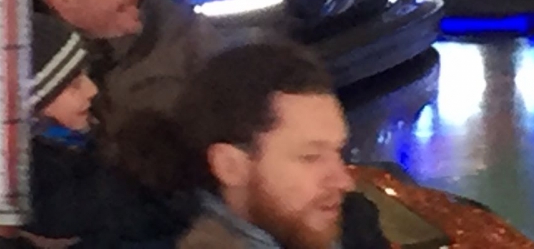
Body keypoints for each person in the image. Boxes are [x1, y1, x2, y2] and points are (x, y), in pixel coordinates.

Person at [0, 12, 191, 247]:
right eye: (72, 85)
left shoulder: (53, 128)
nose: (92, 90)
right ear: (25, 103)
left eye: (84, 75)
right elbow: (83, 218)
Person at [159, 42, 389, 249]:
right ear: (230, 166)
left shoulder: (354, 224)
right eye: (311, 156)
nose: (344, 182)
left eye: (338, 151)